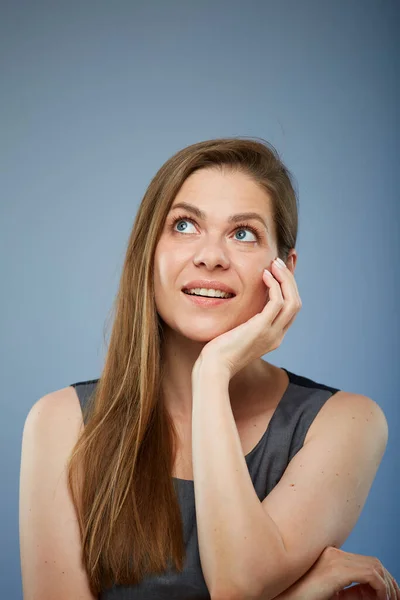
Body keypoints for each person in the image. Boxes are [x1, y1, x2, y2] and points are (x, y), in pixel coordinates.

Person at [19, 138, 399, 599]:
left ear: (284, 270)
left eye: (243, 234)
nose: (211, 256)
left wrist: (212, 372)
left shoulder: (347, 423)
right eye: (184, 225)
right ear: (148, 252)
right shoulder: (61, 423)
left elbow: (237, 584)